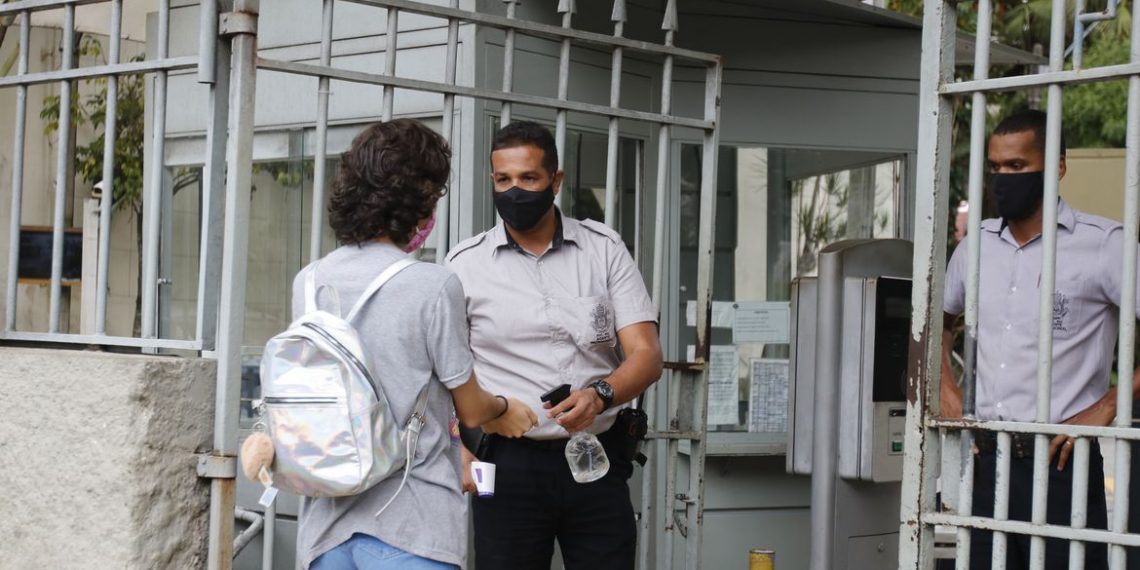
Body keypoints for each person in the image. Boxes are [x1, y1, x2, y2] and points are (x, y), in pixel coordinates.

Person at [242, 119, 538, 570]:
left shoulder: (310, 281)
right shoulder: (433, 285)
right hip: (413, 523)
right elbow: (472, 408)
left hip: (325, 528)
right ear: (419, 200)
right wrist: (505, 409)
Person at [446, 121, 663, 570]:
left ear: (556, 181)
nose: (514, 191)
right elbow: (447, 371)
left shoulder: (603, 249)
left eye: (528, 178)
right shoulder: (464, 265)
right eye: (503, 180)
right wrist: (461, 446)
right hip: (504, 462)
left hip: (594, 456)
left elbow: (646, 354)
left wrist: (599, 394)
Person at [941, 110, 1140, 569]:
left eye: (1016, 167)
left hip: (1061, 464)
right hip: (986, 460)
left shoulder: (1105, 245)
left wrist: (1107, 406)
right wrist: (946, 387)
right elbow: (936, 323)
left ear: (1058, 166)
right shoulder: (976, 246)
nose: (1002, 178)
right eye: (994, 168)